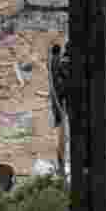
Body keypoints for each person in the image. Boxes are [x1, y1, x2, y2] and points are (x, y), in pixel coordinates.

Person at [47, 43, 70, 174]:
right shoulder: (57, 61)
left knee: (55, 105)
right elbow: (62, 73)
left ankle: (58, 119)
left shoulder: (51, 60)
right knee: (59, 104)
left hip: (54, 88)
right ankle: (59, 119)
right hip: (59, 87)